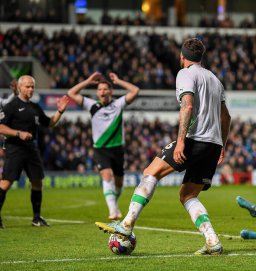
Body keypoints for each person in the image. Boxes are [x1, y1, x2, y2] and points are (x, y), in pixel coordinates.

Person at [95, 38, 232, 255]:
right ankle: (212, 241)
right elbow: (226, 117)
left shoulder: (185, 74)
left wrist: (180, 142)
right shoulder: (215, 79)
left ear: (182, 56)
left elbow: (187, 106)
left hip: (194, 139)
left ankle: (127, 223)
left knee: (151, 173)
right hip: (213, 144)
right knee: (188, 195)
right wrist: (222, 145)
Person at [68, 72, 140, 220]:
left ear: (110, 92)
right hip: (100, 149)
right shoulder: (92, 105)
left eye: (105, 89)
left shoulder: (118, 104)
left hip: (117, 148)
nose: (102, 92)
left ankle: (115, 204)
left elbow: (135, 91)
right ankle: (113, 210)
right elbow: (71, 93)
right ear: (97, 92)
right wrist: (87, 81)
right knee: (107, 176)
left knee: (119, 183)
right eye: (100, 89)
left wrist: (119, 80)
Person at [0, 75, 69, 229]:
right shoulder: (11, 106)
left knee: (37, 182)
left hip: (32, 149)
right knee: (5, 183)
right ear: (19, 87)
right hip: (15, 149)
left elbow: (49, 123)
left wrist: (60, 111)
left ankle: (36, 218)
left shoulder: (35, 107)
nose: (30, 89)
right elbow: (1, 127)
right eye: (27, 86)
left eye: (32, 86)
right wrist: (19, 133)